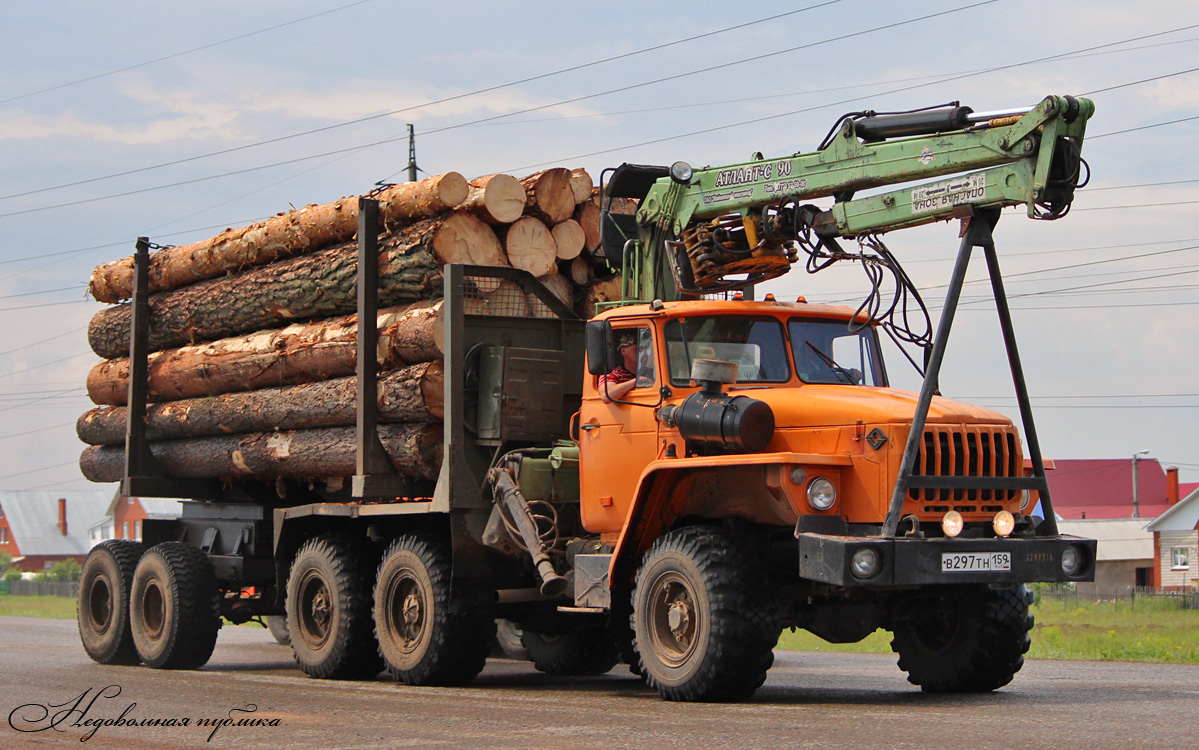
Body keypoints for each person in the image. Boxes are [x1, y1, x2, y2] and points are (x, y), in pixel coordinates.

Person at [599, 331, 639, 403]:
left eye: (645, 349)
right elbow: (606, 395)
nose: (643, 353)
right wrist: (637, 381)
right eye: (636, 350)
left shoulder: (653, 373)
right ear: (623, 351)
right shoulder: (614, 374)